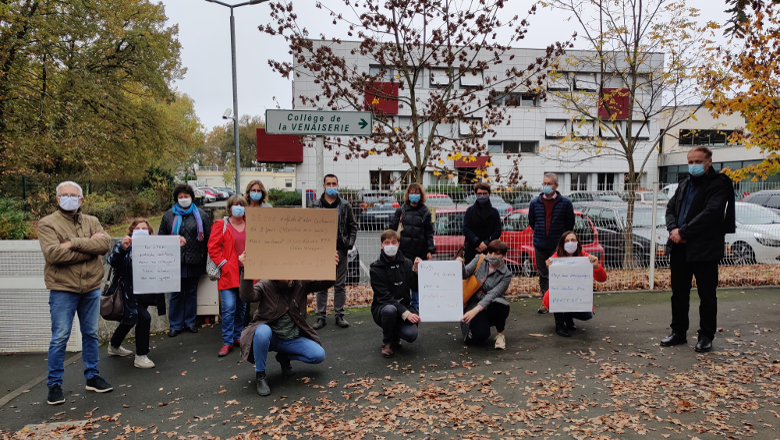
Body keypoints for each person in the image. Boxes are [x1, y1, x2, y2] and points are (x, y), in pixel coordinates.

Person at [38, 181, 112, 405]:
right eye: (64, 195)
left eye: (73, 195)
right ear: (57, 198)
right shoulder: (47, 223)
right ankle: (54, 385)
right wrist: (89, 247)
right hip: (63, 288)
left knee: (91, 334)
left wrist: (72, 244)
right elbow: (53, 255)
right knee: (60, 337)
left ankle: (92, 376)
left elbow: (105, 244)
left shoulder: (92, 221)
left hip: (90, 287)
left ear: (81, 199)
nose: (68, 198)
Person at [661, 146, 735, 353]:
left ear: (709, 162)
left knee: (707, 295)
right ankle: (678, 332)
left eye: (697, 162)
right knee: (679, 294)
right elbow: (670, 208)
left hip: (705, 249)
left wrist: (684, 232)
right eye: (690, 162)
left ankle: (706, 336)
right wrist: (674, 229)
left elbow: (711, 214)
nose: (693, 165)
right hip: (680, 249)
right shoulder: (684, 183)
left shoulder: (719, 184)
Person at [239, 253, 340, 396]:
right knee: (262, 332)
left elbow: (326, 283)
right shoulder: (266, 284)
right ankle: (260, 375)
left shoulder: (301, 283)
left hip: (291, 338)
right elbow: (247, 296)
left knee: (318, 355)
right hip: (270, 337)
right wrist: (246, 271)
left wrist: (331, 266)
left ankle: (284, 357)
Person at [107, 219, 176, 368]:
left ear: (150, 232)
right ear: (131, 231)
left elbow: (166, 261)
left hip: (144, 293)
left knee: (129, 320)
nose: (141, 231)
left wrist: (176, 246)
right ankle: (141, 355)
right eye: (137, 228)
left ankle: (114, 345)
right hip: (127, 293)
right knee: (143, 317)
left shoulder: (153, 248)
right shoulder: (124, 245)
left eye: (144, 229)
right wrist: (123, 249)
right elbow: (112, 261)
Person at [159, 183, 212, 337]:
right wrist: (173, 240)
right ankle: (175, 325)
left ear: (191, 197)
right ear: (176, 198)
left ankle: (190, 322)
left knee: (191, 292)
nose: (183, 199)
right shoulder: (168, 215)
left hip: (196, 260)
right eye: (180, 197)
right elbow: (161, 237)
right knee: (176, 293)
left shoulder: (201, 215)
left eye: (186, 196)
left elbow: (209, 237)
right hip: (174, 262)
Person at [311, 174, 358, 330]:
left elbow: (353, 226)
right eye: (328, 184)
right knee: (321, 284)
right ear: (323, 185)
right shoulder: (315, 205)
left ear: (338, 184)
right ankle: (320, 317)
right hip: (322, 250)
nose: (331, 186)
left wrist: (348, 245)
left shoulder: (345, 205)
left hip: (341, 249)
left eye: (334, 183)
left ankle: (339, 315)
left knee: (340, 284)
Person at [542, 231, 607, 337]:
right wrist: (549, 266)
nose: (570, 243)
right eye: (567, 241)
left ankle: (567, 316)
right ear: (562, 244)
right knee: (555, 295)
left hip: (577, 296)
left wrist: (596, 266)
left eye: (573, 240)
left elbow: (602, 279)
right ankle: (559, 324)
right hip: (560, 295)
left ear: (578, 243)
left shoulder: (585, 257)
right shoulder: (556, 257)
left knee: (587, 315)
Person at [369, 230, 422, 358]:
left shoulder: (407, 263)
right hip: (383, 308)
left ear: (398, 244)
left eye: (393, 242)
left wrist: (416, 271)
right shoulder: (375, 268)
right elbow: (384, 296)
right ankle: (387, 343)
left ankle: (395, 336)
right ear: (381, 245)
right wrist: (406, 313)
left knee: (412, 334)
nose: (390, 245)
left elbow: (415, 286)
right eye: (387, 243)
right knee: (390, 310)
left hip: (404, 306)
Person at [208, 195, 250, 357]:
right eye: (235, 204)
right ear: (229, 207)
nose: (238, 207)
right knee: (229, 308)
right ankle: (227, 341)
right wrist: (224, 264)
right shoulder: (221, 225)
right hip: (228, 272)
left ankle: (237, 336)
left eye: (241, 204)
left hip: (246, 272)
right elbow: (213, 247)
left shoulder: (251, 225)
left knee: (241, 307)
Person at [528, 172, 575, 314]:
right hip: (540, 244)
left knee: (559, 275)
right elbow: (532, 222)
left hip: (558, 247)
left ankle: (560, 302)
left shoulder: (565, 203)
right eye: (544, 184)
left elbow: (570, 224)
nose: (546, 186)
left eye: (549, 184)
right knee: (543, 275)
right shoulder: (535, 203)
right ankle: (546, 302)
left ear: (556, 185)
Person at [457, 239, 512, 349]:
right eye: (490, 252)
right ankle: (477, 327)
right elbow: (465, 274)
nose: (492, 256)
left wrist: (474, 311)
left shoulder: (506, 274)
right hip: (474, 301)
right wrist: (460, 265)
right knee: (481, 337)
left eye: (497, 254)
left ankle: (500, 334)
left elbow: (493, 294)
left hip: (493, 303)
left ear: (503, 255)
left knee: (500, 305)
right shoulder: (479, 259)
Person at [388, 183, 435, 310]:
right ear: (408, 195)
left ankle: (417, 306)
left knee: (417, 279)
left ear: (421, 195)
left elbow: (429, 232)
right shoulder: (401, 210)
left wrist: (430, 250)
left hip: (420, 251)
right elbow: (392, 230)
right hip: (403, 251)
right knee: (403, 278)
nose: (414, 195)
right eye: (411, 192)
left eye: (416, 192)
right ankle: (403, 305)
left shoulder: (425, 211)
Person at [242, 180, 272, 329]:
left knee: (263, 284)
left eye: (258, 190)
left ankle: (264, 316)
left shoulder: (268, 208)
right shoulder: (242, 208)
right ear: (248, 192)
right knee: (246, 282)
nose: (256, 193)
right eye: (253, 190)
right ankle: (245, 318)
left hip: (263, 252)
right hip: (245, 251)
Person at [462, 182, 502, 265]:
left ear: (489, 194)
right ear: (476, 195)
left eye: (485, 193)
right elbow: (466, 229)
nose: (482, 196)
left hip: (489, 251)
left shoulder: (494, 212)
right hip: (472, 249)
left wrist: (486, 243)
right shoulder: (470, 211)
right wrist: (478, 242)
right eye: (480, 193)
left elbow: (497, 231)